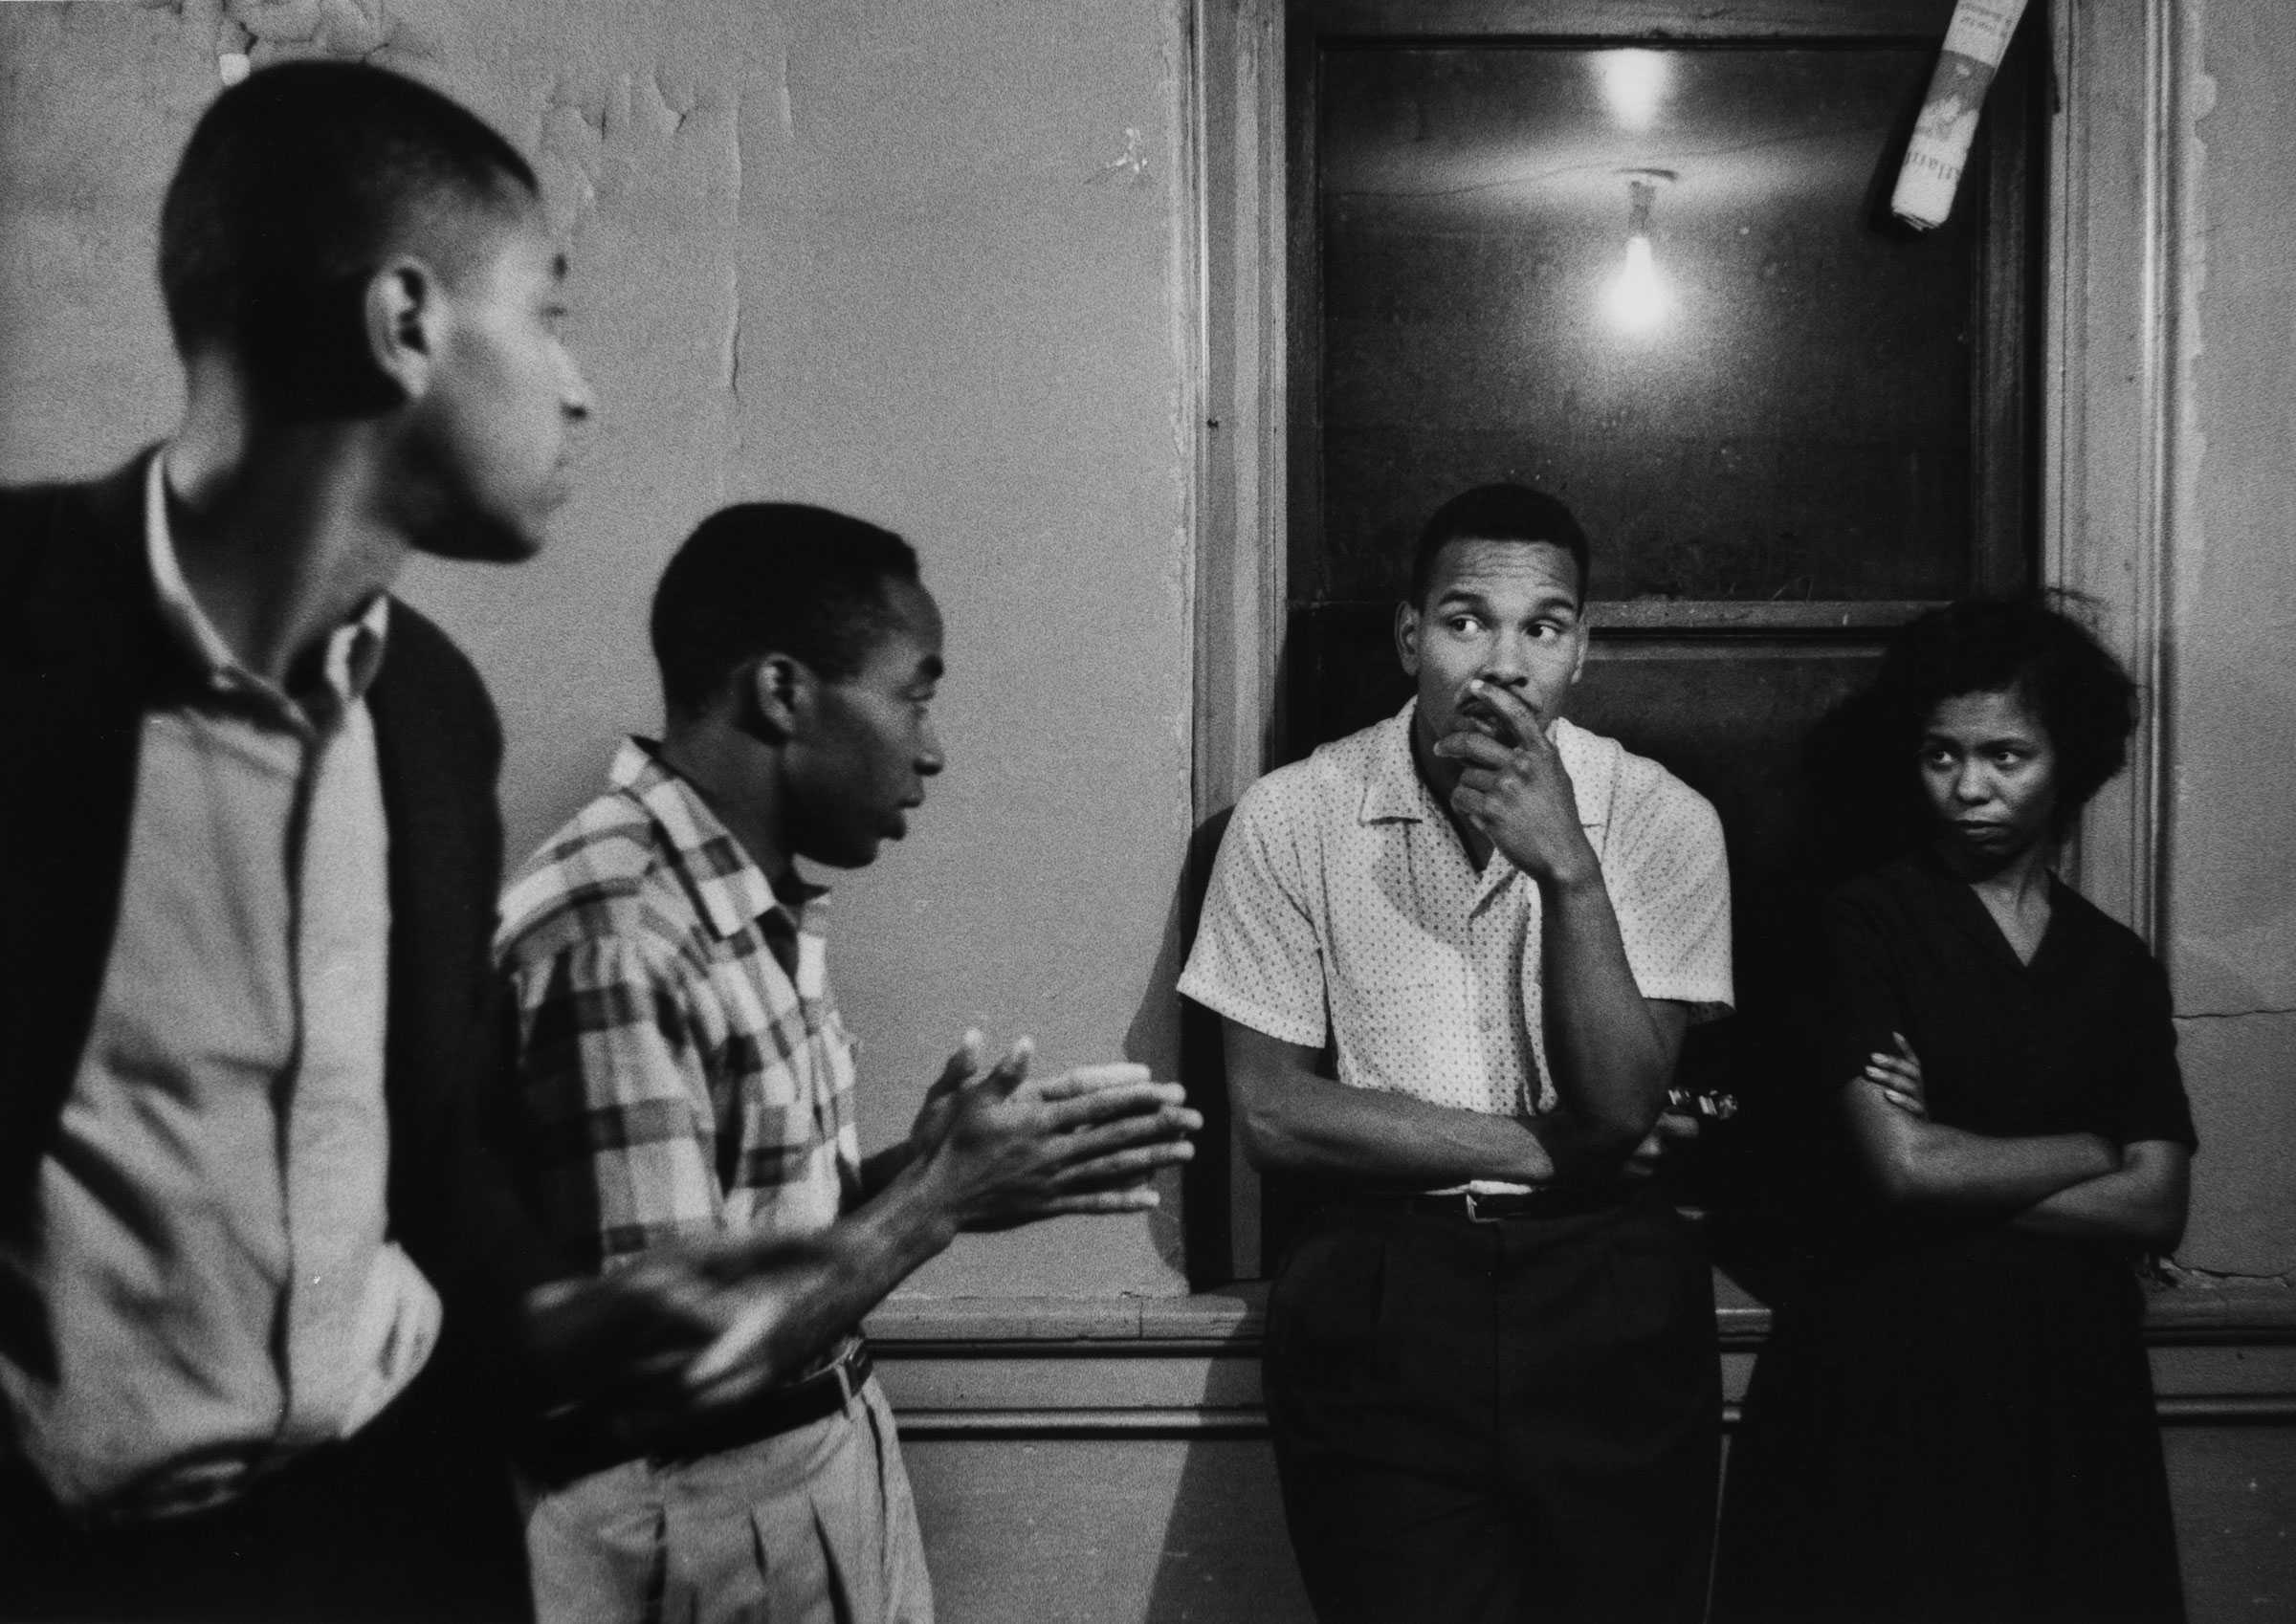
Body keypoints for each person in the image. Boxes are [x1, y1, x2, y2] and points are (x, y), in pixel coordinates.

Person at [0, 61, 797, 1623]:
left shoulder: (430, 713)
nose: (580, 390)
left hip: (387, 1544)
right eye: (549, 313)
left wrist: (583, 1321)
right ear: (407, 321)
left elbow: (423, 1159)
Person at [495, 501, 1203, 1624]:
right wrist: (935, 1204)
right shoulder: (618, 933)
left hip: (802, 1477)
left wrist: (919, 1172)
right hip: (698, 1525)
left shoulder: (734, 898)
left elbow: (745, 1243)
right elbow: (667, 1364)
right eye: (912, 694)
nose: (931, 747)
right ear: (783, 694)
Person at [1179, 484, 1734, 1624]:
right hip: (1385, 1283)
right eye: (1467, 619)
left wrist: (1568, 866)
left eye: (1545, 625)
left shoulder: (1665, 818)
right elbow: (1277, 1116)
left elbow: (1625, 1100)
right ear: (1409, 635)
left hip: (1607, 1289)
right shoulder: (1293, 816)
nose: (1505, 663)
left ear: (1582, 648)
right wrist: (1551, 1150)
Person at [1711, 598, 2195, 1624]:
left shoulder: (2115, 966)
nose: (1969, 787)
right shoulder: (1861, 923)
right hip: (1886, 1380)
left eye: (2006, 757)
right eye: (1942, 755)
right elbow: (1906, 1171)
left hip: (2071, 1394)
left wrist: (1958, 1156)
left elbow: (2156, 1206)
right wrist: (2088, 1144)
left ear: (2072, 762)